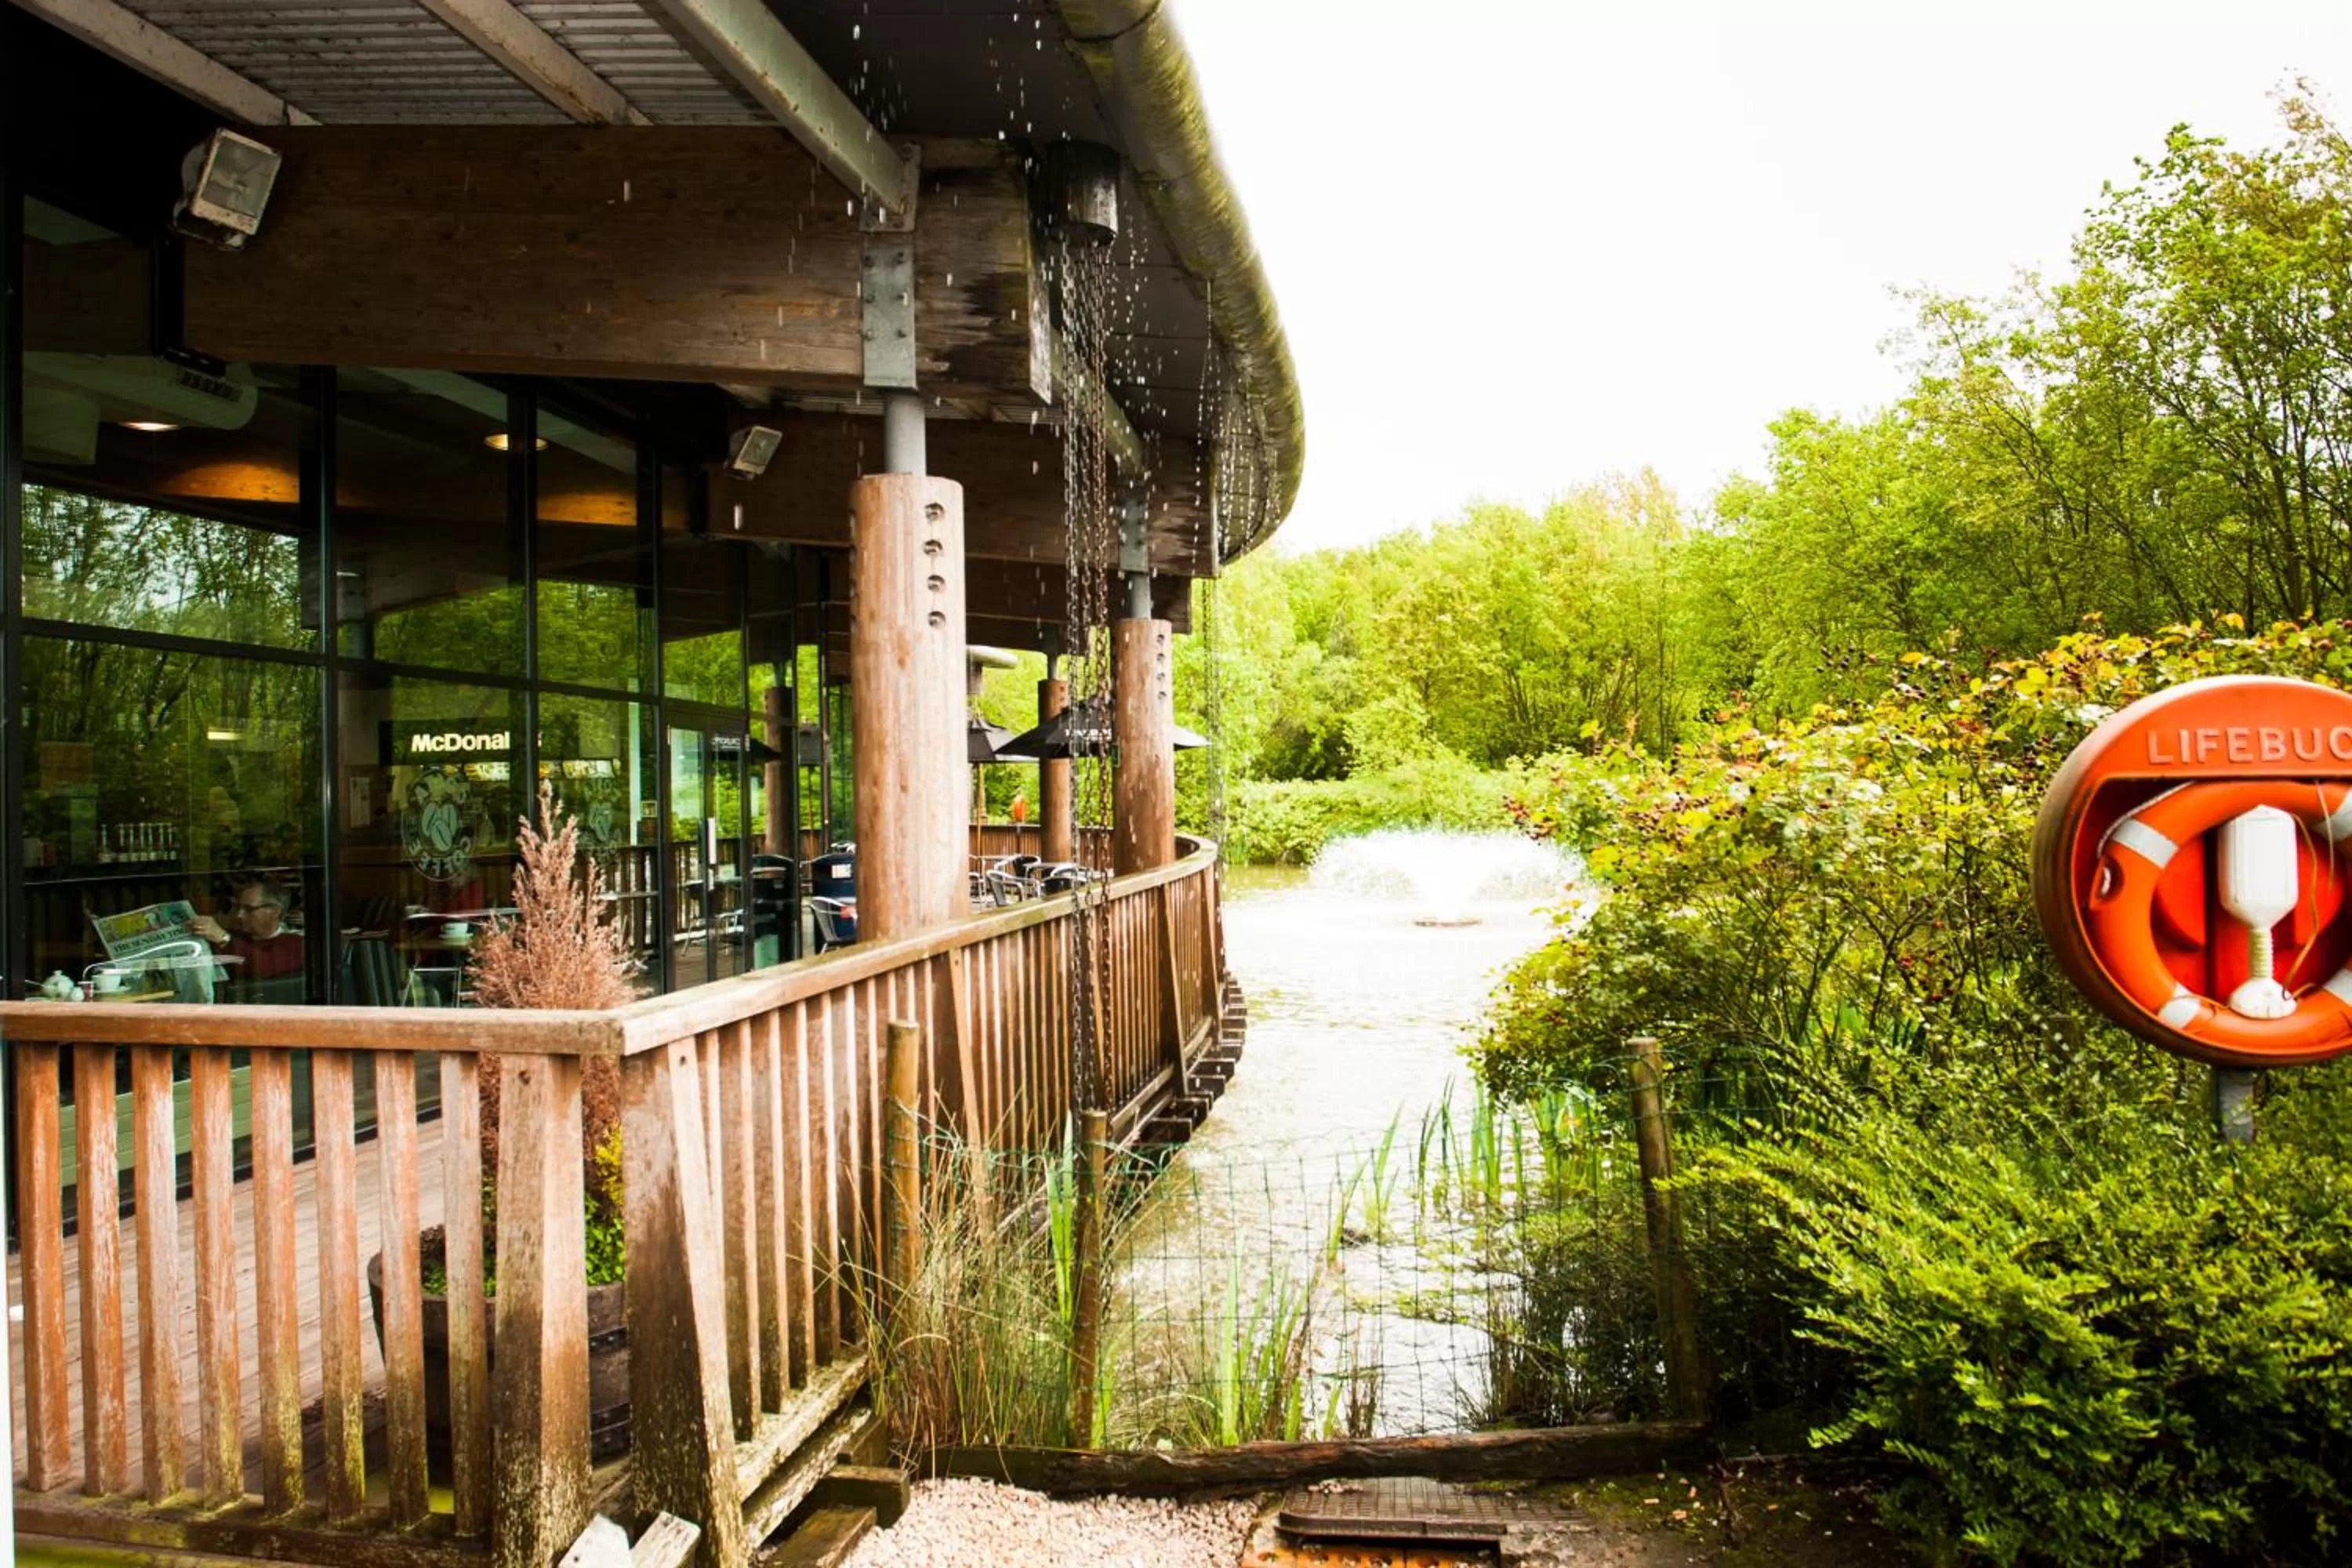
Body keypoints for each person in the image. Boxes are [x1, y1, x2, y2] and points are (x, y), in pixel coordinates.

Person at [192, 876, 306, 982]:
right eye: (238, 907)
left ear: (274, 912)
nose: (239, 915)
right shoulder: (235, 936)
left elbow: (263, 968)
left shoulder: (295, 944)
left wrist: (223, 939)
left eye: (248, 909)